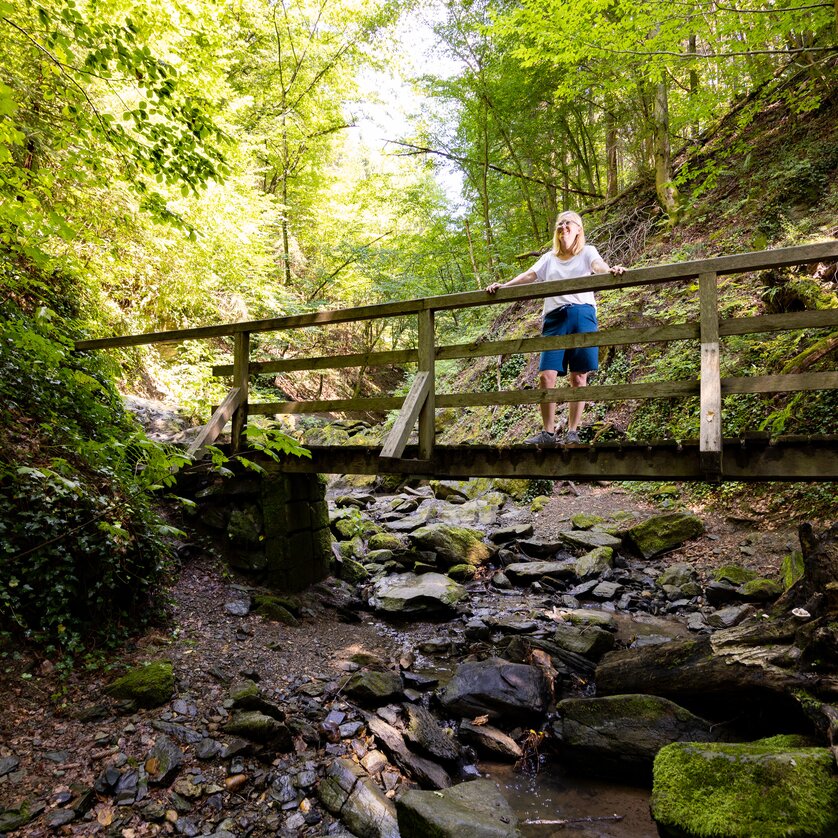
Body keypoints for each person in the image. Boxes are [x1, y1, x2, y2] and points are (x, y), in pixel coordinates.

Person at [486, 210, 625, 445]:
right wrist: (504, 286)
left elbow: (598, 265)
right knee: (546, 375)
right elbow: (530, 275)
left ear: (579, 229)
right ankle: (548, 433)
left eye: (568, 223)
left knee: (579, 377)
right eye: (560, 224)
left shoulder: (587, 252)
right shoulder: (549, 258)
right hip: (554, 318)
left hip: (582, 314)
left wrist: (610, 270)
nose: (563, 227)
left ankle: (572, 431)